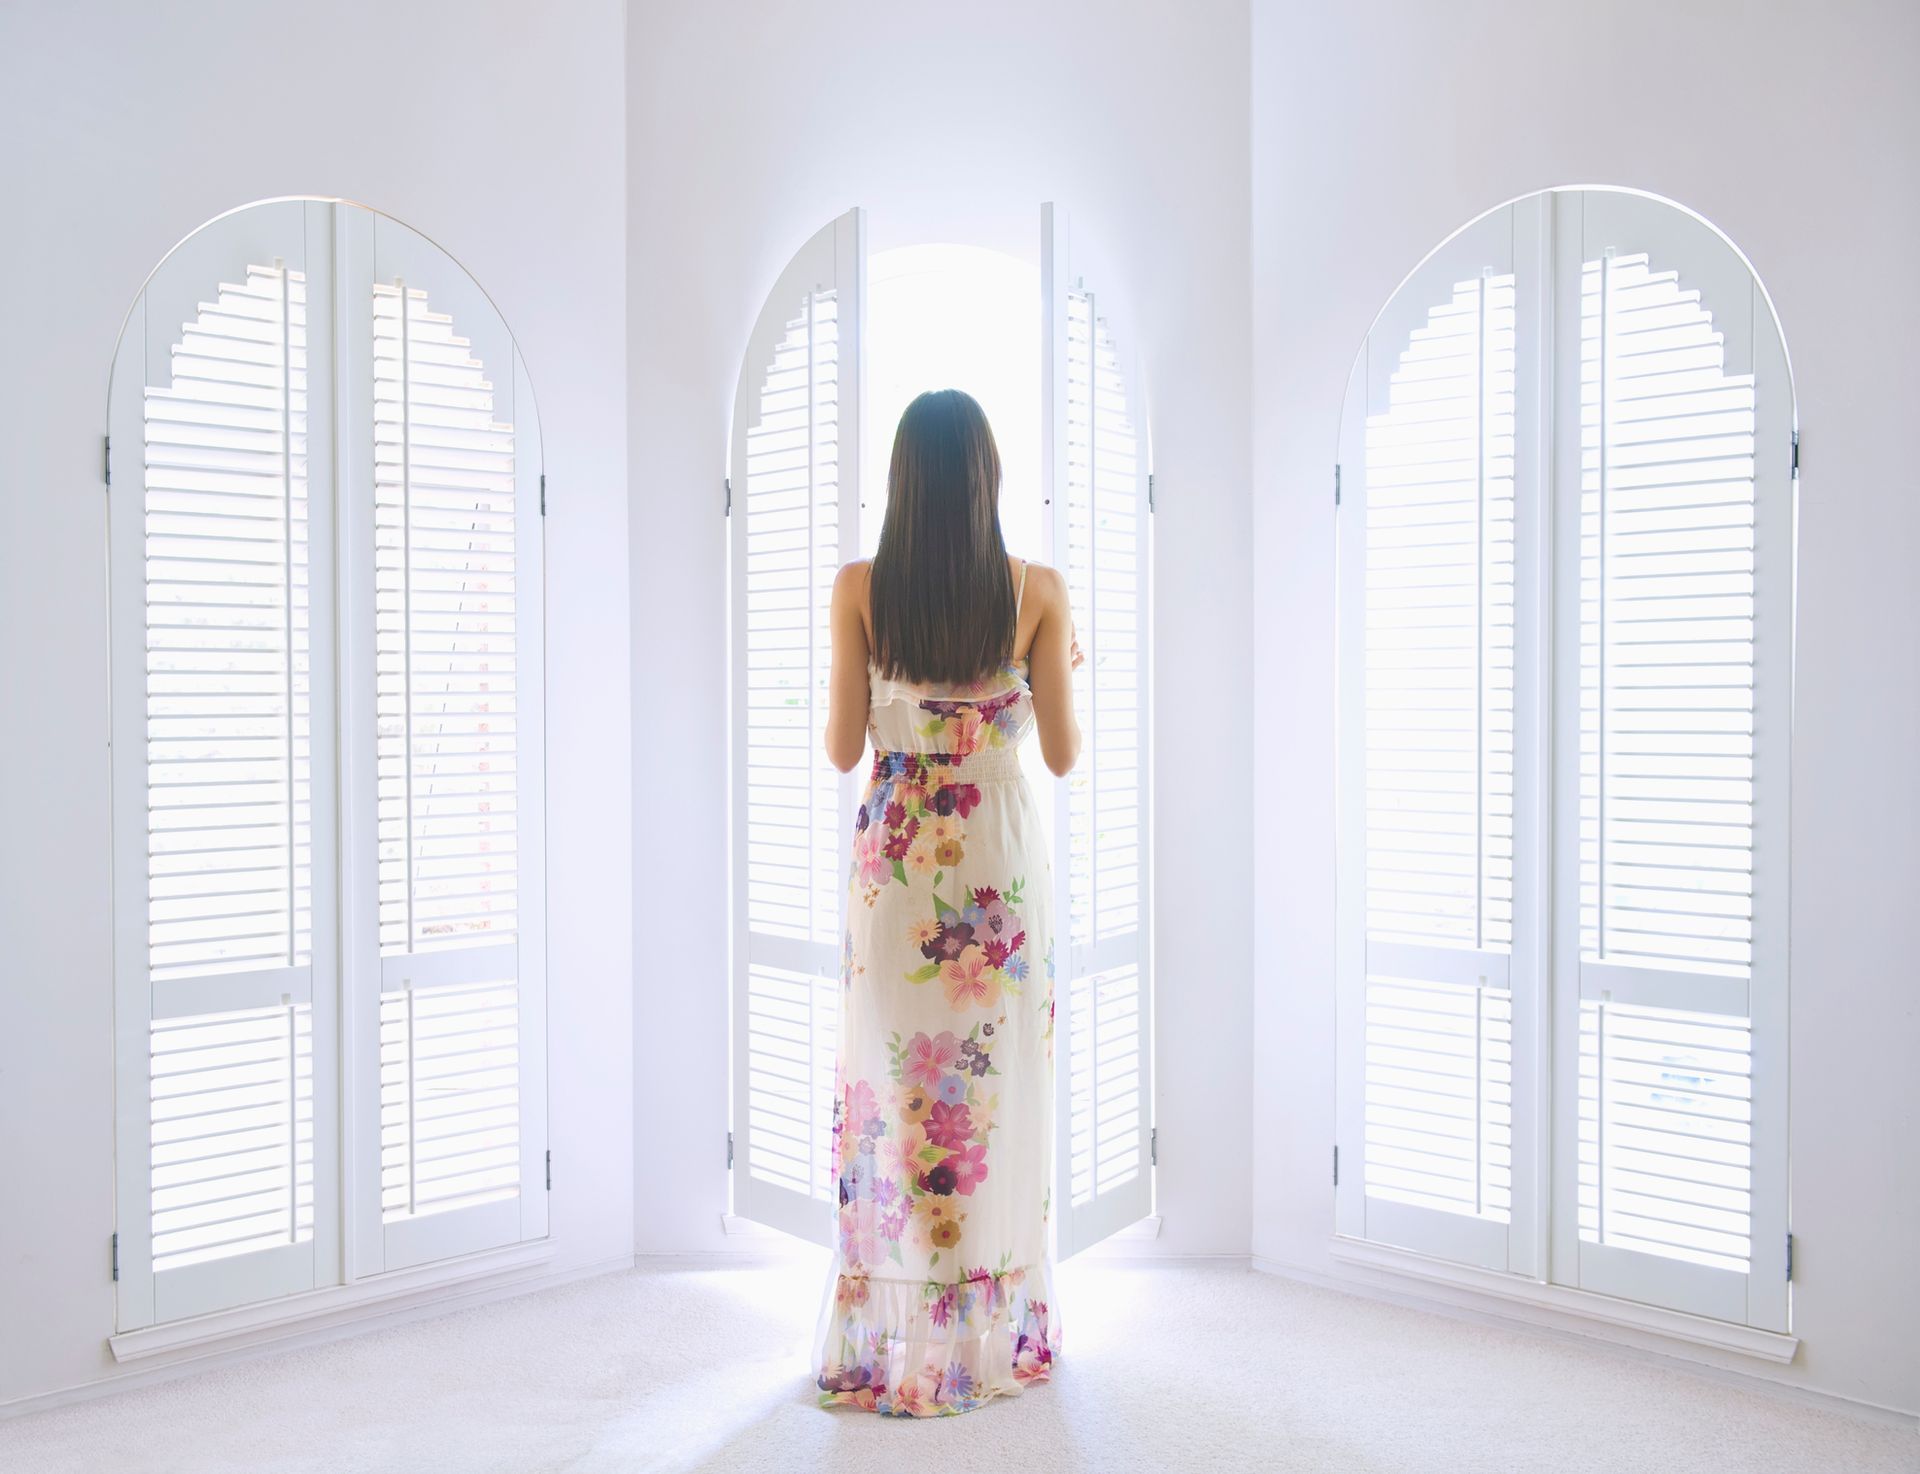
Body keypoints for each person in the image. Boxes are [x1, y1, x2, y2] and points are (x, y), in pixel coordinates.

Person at [810, 388, 1082, 1417]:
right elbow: (1059, 753)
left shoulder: (857, 589)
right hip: (998, 886)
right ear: (988, 480)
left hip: (900, 878)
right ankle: (986, 1333)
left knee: (898, 1099)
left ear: (901, 485)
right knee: (993, 1101)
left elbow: (844, 750)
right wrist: (1063, 663)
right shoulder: (1039, 589)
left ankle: (897, 1334)